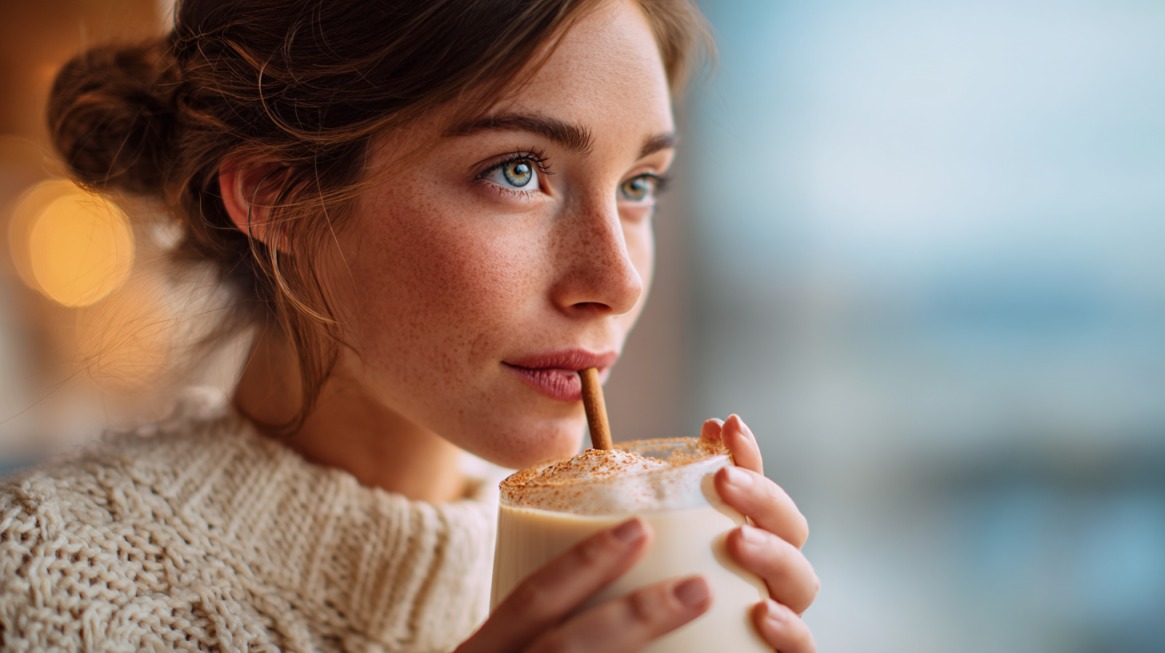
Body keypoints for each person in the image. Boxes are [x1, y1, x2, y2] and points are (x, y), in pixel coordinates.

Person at [0, 0, 819, 650]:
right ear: (276, 194)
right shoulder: (40, 587)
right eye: (518, 169)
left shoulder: (661, 585)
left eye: (639, 184)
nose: (617, 279)